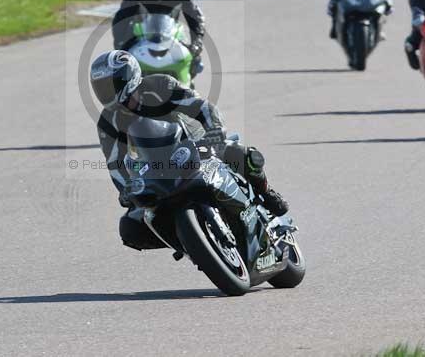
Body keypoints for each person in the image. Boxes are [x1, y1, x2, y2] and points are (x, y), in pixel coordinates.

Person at [90, 50, 289, 251]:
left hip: (194, 144)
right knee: (130, 228)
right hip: (154, 170)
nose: (105, 91)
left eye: (110, 84)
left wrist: (214, 133)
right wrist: (126, 189)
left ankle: (266, 192)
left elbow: (202, 107)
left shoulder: (159, 85)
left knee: (238, 154)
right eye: (100, 87)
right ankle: (190, 245)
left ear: (128, 76)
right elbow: (115, 163)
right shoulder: (107, 122)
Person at [112, 0, 205, 78]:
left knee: (194, 60)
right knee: (120, 66)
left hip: (172, 35)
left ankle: (189, 86)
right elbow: (121, 18)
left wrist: (196, 44)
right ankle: (125, 92)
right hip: (140, 35)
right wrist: (120, 44)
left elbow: (195, 19)